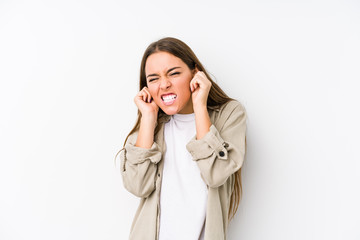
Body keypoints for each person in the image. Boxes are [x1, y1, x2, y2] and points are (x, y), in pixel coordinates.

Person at [116, 37, 247, 240]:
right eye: (153, 79)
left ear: (195, 74)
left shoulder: (229, 114)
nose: (164, 85)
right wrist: (148, 118)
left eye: (174, 73)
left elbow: (216, 174)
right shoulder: (152, 126)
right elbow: (137, 185)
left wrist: (200, 106)